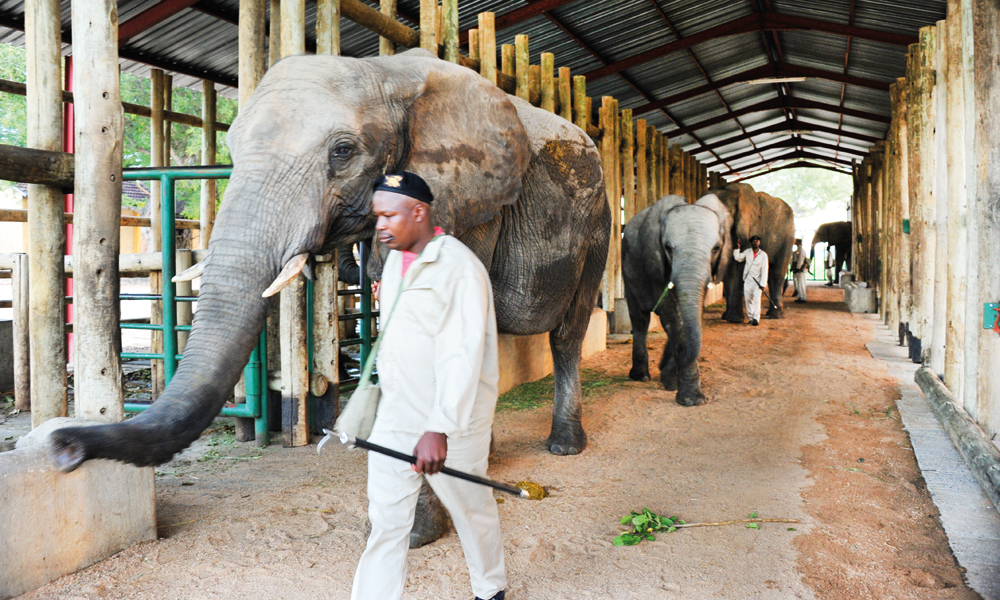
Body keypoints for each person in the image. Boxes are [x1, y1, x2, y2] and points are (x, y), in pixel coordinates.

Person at [351, 172, 506, 600]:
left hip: (452, 421)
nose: (380, 225)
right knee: (385, 521)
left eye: (389, 215)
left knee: (469, 508)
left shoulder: (459, 268)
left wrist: (438, 427)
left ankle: (490, 589)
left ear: (418, 212)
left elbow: (462, 354)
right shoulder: (398, 261)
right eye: (377, 216)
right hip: (398, 413)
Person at [733, 235, 769, 326]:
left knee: (757, 300)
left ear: (759, 243)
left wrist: (763, 283)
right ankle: (751, 317)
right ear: (751, 243)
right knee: (748, 300)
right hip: (748, 280)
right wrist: (737, 248)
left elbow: (765, 269)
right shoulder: (748, 252)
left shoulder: (763, 255)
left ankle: (756, 319)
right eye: (753, 241)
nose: (755, 242)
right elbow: (738, 258)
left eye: (757, 241)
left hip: (758, 282)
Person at [791, 238, 809, 303]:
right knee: (799, 283)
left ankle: (803, 297)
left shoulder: (801, 250)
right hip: (798, 270)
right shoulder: (798, 250)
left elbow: (800, 260)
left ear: (799, 242)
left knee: (801, 283)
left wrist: (797, 268)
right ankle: (800, 296)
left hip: (800, 270)